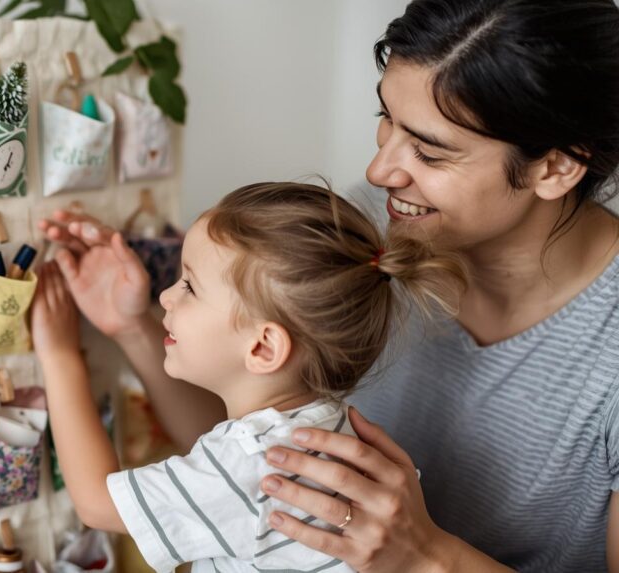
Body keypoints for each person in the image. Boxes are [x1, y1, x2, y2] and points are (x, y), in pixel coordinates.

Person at [37, 1, 619, 570]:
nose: (379, 171)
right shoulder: (368, 233)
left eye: (429, 151)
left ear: (556, 167)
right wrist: (134, 327)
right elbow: (252, 458)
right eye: (385, 121)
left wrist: (425, 556)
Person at [31, 182, 466, 572]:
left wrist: (60, 355)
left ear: (262, 348)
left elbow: (95, 503)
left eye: (190, 287)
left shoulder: (251, 460)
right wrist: (129, 326)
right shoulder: (323, 426)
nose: (164, 296)